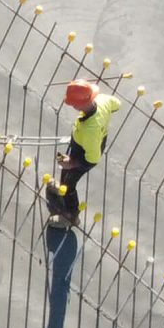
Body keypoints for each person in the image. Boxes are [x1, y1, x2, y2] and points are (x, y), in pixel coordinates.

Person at [49, 78, 122, 228]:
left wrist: (73, 162)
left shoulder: (91, 131)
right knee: (64, 171)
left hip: (85, 153)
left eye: (74, 103)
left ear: (81, 104)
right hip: (83, 142)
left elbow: (92, 159)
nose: (73, 106)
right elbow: (117, 104)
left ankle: (71, 216)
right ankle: (61, 187)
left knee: (69, 183)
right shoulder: (102, 100)